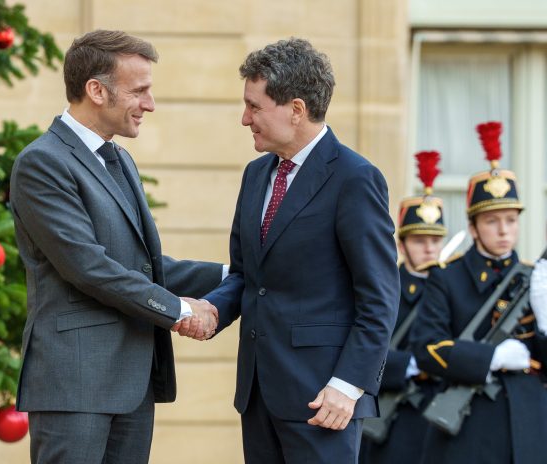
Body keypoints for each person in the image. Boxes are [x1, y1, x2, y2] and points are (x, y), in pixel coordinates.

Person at [9, 30, 224, 464]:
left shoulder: (119, 159)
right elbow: (89, 267)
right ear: (96, 91)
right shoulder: (42, 162)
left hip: (131, 385)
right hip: (75, 385)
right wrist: (180, 311)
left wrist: (231, 274)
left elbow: (139, 266)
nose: (150, 104)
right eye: (139, 91)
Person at [198, 38, 400, 464]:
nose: (244, 118)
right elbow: (247, 276)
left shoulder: (355, 178)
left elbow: (379, 297)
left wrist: (348, 386)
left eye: (254, 107)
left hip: (324, 401)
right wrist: (212, 309)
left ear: (296, 109)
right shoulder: (256, 175)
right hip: (258, 396)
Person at [410, 121, 547, 464]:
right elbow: (427, 347)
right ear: (472, 227)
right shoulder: (447, 277)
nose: (504, 231)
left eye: (511, 220)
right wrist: (491, 358)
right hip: (471, 430)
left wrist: (545, 326)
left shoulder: (535, 277)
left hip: (530, 425)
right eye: (492, 221)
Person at [360, 151, 447, 464]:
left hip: (439, 412)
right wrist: (409, 364)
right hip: (392, 414)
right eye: (420, 240)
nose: (429, 249)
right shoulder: (384, 286)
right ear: (402, 245)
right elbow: (363, 346)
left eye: (435, 241)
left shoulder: (451, 287)